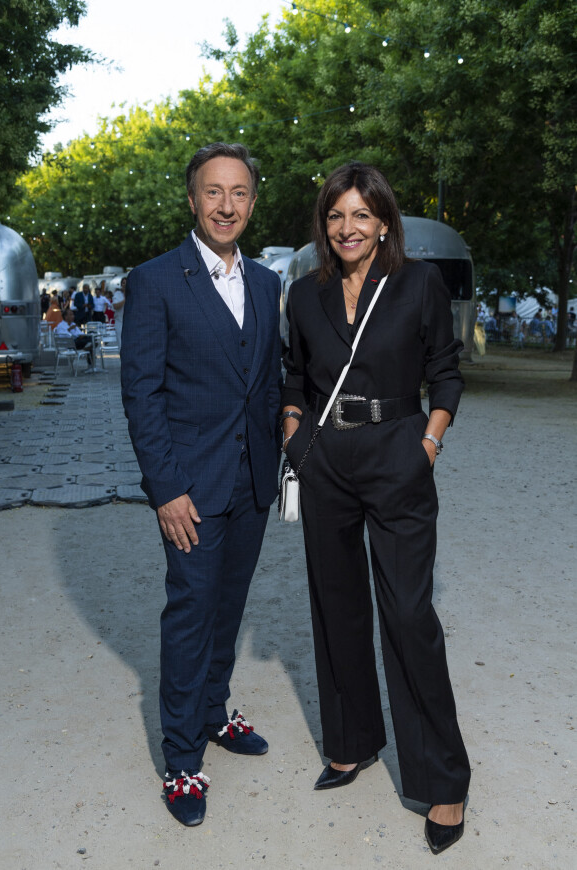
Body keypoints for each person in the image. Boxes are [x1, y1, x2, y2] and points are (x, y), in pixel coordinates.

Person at [282, 162, 470, 855]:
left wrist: (428, 441)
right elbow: (295, 370)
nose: (347, 227)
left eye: (361, 214)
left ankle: (442, 779)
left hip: (398, 451)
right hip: (325, 458)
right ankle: (351, 742)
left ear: (383, 221)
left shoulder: (419, 283)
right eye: (335, 215)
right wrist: (295, 428)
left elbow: (446, 370)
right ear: (324, 226)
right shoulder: (305, 294)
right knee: (336, 605)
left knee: (408, 613)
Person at [121, 142, 282, 828]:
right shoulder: (156, 280)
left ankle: (214, 713)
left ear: (251, 201)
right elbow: (142, 392)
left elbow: (269, 382)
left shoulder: (270, 284)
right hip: (188, 489)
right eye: (213, 192)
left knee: (227, 607)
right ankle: (183, 758)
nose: (226, 205)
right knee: (190, 615)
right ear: (192, 200)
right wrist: (165, 488)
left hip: (250, 483)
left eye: (239, 192)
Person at [112, 276, 126, 350]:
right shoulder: (117, 294)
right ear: (121, 284)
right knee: (121, 345)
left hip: (130, 322)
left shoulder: (133, 294)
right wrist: (125, 299)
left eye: (126, 283)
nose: (125, 285)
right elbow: (115, 306)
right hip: (120, 322)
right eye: (123, 283)